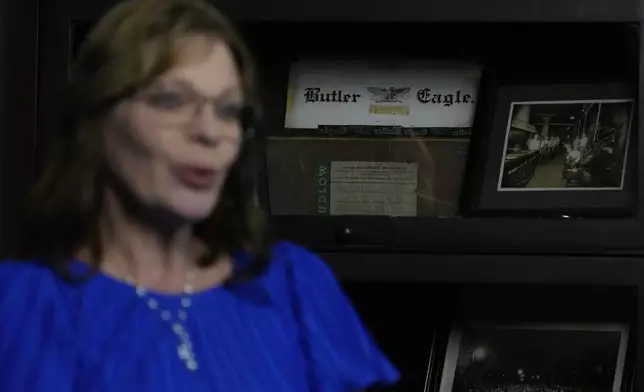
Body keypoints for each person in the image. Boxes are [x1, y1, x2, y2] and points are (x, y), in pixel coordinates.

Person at [0, 0, 400, 390]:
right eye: (171, 101)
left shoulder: (294, 285)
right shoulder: (24, 306)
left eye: (228, 110)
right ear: (96, 120)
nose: (210, 132)